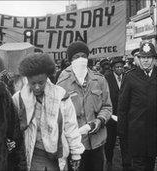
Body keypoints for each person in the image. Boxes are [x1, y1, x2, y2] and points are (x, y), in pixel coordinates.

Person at [12, 53, 84, 171]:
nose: (36, 87)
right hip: (32, 154)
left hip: (57, 154)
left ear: (47, 78)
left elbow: (71, 127)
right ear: (26, 79)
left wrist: (76, 153)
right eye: (32, 83)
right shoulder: (18, 99)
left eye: (41, 83)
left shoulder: (61, 96)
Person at [57, 41, 112, 171]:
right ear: (70, 60)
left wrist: (99, 121)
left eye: (83, 56)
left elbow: (107, 107)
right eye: (76, 57)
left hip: (97, 142)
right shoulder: (63, 82)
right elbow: (59, 114)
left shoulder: (99, 80)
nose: (80, 59)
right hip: (75, 145)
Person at [117, 42, 157, 171]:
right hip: (136, 135)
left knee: (151, 165)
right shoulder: (130, 77)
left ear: (154, 59)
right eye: (143, 57)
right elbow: (122, 108)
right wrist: (122, 133)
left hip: (153, 135)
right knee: (138, 166)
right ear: (138, 59)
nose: (145, 60)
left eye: (149, 57)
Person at [104, 56, 125, 171]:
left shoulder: (127, 77)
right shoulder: (107, 78)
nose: (119, 69)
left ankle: (125, 162)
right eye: (117, 67)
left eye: (121, 67)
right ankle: (109, 161)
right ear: (113, 68)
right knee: (110, 141)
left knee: (124, 140)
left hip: (123, 115)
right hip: (111, 115)